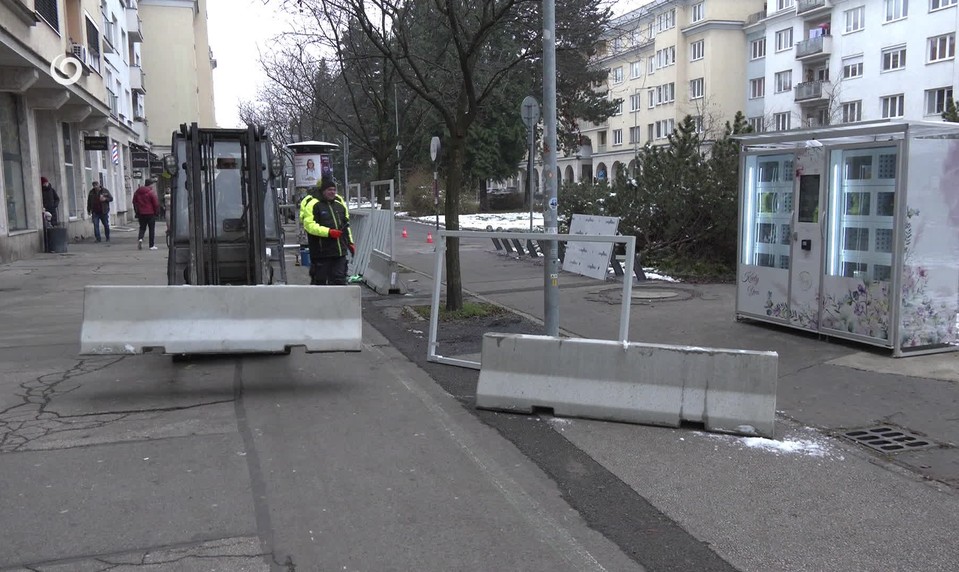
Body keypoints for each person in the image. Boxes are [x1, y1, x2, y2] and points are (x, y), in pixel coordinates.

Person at [299, 176, 354, 285]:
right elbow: (309, 226)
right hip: (321, 253)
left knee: (339, 281)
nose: (332, 192)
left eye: (334, 190)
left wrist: (350, 242)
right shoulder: (313, 204)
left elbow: (345, 226)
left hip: (339, 252)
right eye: (329, 190)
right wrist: (329, 232)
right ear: (323, 191)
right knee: (320, 283)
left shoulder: (339, 205)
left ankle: (338, 302)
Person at [133, 179, 160, 250]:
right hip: (150, 213)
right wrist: (156, 212)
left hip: (141, 213)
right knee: (151, 229)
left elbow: (134, 202)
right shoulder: (151, 192)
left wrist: (137, 211)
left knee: (142, 227)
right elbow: (156, 204)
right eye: (152, 184)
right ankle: (151, 245)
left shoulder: (137, 192)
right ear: (150, 184)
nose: (153, 186)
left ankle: (140, 239)